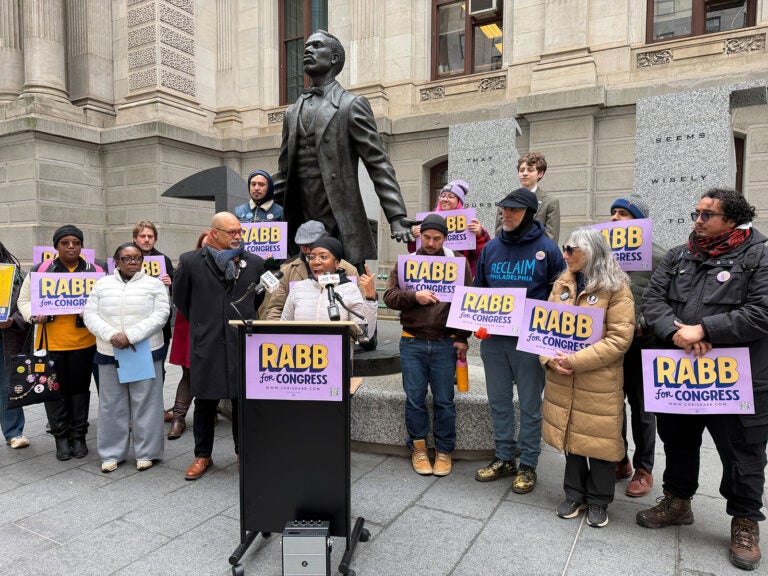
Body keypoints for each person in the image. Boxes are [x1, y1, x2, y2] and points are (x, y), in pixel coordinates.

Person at [637, 188, 768, 571]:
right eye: (696, 212)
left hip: (738, 378)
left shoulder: (760, 255)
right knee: (678, 440)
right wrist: (676, 333)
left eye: (707, 214)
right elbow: (653, 300)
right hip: (681, 373)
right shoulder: (680, 255)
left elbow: (762, 312)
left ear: (732, 220)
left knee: (743, 452)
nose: (697, 219)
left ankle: (745, 522)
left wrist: (706, 329)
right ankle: (677, 501)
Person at [274, 29, 412, 272]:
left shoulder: (351, 105)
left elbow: (378, 163)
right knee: (302, 295)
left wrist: (396, 216)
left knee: (347, 293)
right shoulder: (291, 112)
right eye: (307, 46)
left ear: (334, 58)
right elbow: (284, 174)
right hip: (302, 222)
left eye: (317, 46)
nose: (308, 50)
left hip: (340, 219)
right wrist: (256, 214)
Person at [541, 227, 635, 528]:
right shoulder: (563, 283)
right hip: (562, 375)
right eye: (565, 249)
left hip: (598, 380)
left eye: (572, 250)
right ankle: (574, 494)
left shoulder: (617, 287)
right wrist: (548, 358)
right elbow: (544, 328)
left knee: (599, 442)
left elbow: (619, 339)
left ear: (592, 252)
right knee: (571, 438)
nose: (565, 255)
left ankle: (598, 500)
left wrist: (575, 360)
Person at [473, 188, 564, 493]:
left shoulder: (548, 249)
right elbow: (479, 290)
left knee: (529, 406)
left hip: (530, 341)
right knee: (498, 402)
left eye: (513, 210)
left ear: (529, 213)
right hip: (495, 340)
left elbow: (559, 295)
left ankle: (528, 464)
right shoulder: (491, 249)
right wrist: (477, 321)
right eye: (503, 209)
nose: (506, 215)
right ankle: (503, 458)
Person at [173, 212, 266, 481]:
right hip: (208, 343)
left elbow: (256, 300)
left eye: (240, 231)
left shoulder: (254, 263)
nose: (238, 236)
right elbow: (182, 299)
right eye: (231, 232)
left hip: (241, 343)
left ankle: (243, 452)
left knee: (241, 402)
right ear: (213, 233)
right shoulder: (191, 262)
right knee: (205, 401)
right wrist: (206, 324)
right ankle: (202, 455)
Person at [383, 214, 471, 477]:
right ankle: (418, 447)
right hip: (412, 341)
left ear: (445, 238)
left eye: (437, 238)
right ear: (420, 236)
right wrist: (414, 296)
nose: (431, 243)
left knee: (445, 400)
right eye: (427, 237)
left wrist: (462, 338)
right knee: (415, 399)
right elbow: (388, 296)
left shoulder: (457, 262)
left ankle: (444, 451)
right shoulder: (407, 263)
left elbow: (468, 302)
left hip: (445, 343)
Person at [18, 225, 103, 461]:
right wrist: (32, 315)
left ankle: (79, 436)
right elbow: (24, 300)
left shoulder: (94, 271)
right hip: (50, 344)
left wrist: (94, 312)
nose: (71, 247)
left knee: (79, 392)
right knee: (54, 392)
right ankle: (61, 438)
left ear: (82, 246)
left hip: (84, 344)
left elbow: (106, 299)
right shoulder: (41, 270)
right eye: (65, 243)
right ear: (56, 246)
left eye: (75, 242)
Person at [84, 242, 170, 473]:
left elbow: (161, 314)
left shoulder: (154, 284)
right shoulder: (102, 285)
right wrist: (112, 335)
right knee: (112, 404)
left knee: (147, 403)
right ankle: (111, 453)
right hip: (109, 352)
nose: (133, 262)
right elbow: (90, 314)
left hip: (144, 350)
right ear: (116, 262)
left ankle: (147, 452)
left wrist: (131, 336)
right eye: (127, 258)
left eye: (137, 258)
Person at [608, 194, 666, 497]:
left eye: (624, 214)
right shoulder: (601, 257)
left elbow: (664, 302)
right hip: (609, 346)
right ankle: (620, 460)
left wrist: (643, 322)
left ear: (640, 222)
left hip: (642, 346)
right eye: (613, 213)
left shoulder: (659, 257)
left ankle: (644, 469)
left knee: (643, 409)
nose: (616, 218)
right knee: (612, 404)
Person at [280, 237, 377, 342]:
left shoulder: (350, 289)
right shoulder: (298, 288)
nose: (316, 262)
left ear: (337, 263)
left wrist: (370, 298)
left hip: (337, 356)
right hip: (300, 355)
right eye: (312, 257)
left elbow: (364, 335)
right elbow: (283, 329)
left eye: (323, 256)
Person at [265, 220, 359, 322]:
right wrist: (277, 333)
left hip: (339, 334)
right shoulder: (287, 271)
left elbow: (359, 311)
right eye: (304, 246)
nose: (308, 251)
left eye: (312, 245)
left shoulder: (348, 270)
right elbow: (275, 309)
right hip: (298, 335)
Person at [166, 231, 209, 440]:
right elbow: (179, 294)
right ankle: (178, 417)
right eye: (204, 244)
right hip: (190, 323)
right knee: (189, 372)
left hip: (215, 327)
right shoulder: (188, 263)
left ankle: (212, 410)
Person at [409, 180, 490, 277]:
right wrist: (414, 238)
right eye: (443, 196)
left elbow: (483, 253)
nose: (445, 199)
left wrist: (479, 234)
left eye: (450, 196)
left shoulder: (470, 222)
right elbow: (414, 251)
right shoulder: (429, 219)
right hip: (432, 272)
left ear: (459, 200)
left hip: (459, 273)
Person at [0, 242, 31, 450]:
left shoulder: (16, 276)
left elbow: (27, 304)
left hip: (6, 338)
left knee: (7, 386)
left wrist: (13, 321)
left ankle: (13, 432)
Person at [495, 152, 560, 243]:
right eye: (521, 170)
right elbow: (499, 233)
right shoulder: (506, 201)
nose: (524, 173)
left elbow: (551, 237)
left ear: (540, 174)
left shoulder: (550, 202)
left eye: (530, 170)